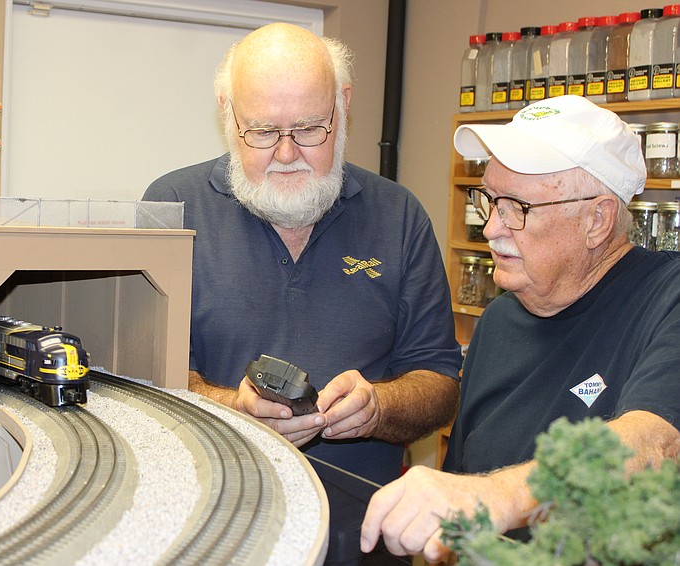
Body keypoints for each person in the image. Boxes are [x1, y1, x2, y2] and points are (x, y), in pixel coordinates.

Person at [361, 95, 680, 562]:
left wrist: (498, 498)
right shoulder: (498, 321)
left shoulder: (666, 298)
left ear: (597, 220)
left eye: (517, 207)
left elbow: (655, 445)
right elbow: (461, 487)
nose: (491, 228)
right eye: (490, 200)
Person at [142, 22, 462, 486]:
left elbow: (440, 383)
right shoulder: (170, 206)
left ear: (343, 105)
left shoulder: (399, 215)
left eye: (311, 129)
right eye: (263, 131)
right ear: (228, 114)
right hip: (208, 520)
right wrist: (235, 409)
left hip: (360, 533)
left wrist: (378, 407)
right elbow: (139, 375)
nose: (287, 153)